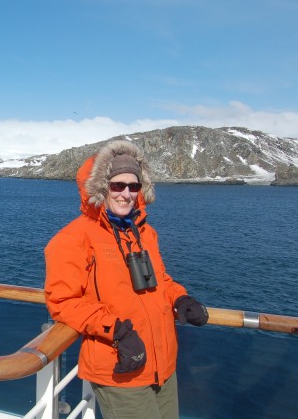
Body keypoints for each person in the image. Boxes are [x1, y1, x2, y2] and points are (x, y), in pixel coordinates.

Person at [44, 139, 208, 419]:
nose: (126, 194)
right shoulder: (73, 239)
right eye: (117, 186)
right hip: (120, 365)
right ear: (100, 188)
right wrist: (117, 331)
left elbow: (161, 281)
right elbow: (63, 302)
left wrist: (180, 298)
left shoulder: (145, 233)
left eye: (134, 186)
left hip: (163, 364)